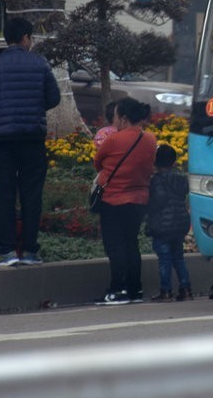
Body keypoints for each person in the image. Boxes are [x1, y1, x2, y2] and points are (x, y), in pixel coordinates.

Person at [0, 17, 61, 267]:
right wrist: (33, 106)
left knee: (5, 194)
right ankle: (30, 251)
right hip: (32, 138)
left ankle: (7, 251)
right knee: (32, 194)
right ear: (26, 38)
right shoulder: (39, 64)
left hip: (2, 140)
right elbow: (53, 98)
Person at [94, 98, 158, 305]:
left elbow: (98, 162)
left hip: (113, 199)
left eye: (115, 117)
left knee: (115, 246)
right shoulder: (150, 139)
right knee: (132, 244)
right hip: (139, 199)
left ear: (123, 117)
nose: (114, 122)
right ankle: (135, 289)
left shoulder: (114, 139)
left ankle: (117, 290)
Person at [146, 144, 192, 302]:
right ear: (174, 161)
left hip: (163, 226)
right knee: (179, 257)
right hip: (180, 223)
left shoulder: (157, 180)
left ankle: (165, 291)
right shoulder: (181, 178)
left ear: (156, 162)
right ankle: (186, 289)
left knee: (164, 259)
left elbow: (158, 200)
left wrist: (148, 209)